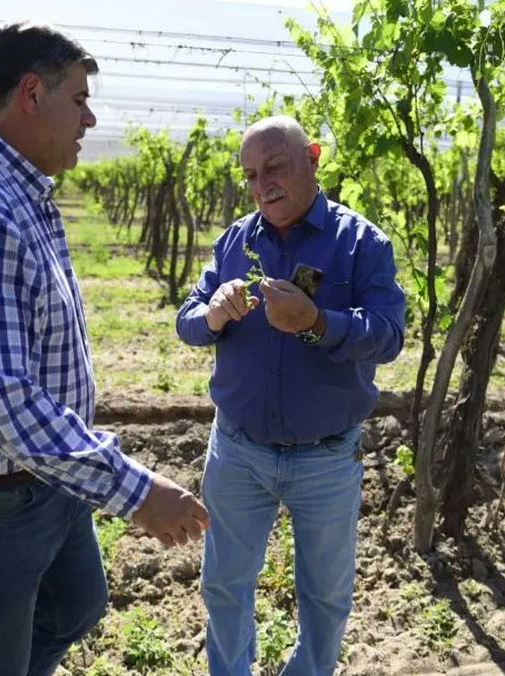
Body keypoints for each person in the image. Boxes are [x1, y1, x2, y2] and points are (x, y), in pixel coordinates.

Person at [0, 23, 209, 676]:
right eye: (78, 98)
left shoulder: (15, 190)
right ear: (32, 92)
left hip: (36, 480)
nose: (91, 116)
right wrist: (134, 491)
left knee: (75, 606)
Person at [176, 115, 406, 675]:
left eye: (274, 167)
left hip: (326, 458)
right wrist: (212, 314)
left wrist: (319, 322)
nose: (262, 186)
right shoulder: (236, 240)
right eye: (251, 175)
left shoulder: (362, 244)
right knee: (225, 586)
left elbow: (389, 336)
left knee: (326, 597)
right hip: (237, 450)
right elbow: (187, 320)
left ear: (314, 157)